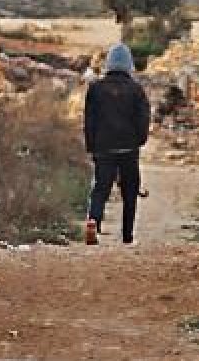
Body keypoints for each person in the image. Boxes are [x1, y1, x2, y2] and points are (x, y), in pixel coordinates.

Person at [83, 43, 150, 246]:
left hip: (103, 147)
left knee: (101, 188)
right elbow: (143, 119)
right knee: (130, 190)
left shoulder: (95, 88)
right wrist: (140, 140)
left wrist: (91, 145)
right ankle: (127, 235)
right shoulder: (136, 90)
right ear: (129, 64)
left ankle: (93, 221)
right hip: (128, 147)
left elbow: (89, 120)